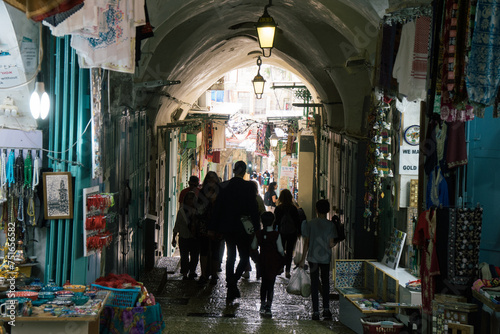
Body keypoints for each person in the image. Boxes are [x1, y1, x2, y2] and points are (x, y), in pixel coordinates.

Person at [210, 161, 260, 301]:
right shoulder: (249, 187)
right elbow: (254, 210)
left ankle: (230, 284)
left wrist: (213, 228)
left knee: (230, 256)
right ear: (244, 172)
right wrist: (257, 229)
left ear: (233, 170)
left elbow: (218, 209)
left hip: (227, 227)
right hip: (243, 228)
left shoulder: (223, 186)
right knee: (244, 258)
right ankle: (233, 282)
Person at [299, 199, 337, 320]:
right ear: (327, 210)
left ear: (316, 210)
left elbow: (306, 243)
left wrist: (302, 259)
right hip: (325, 258)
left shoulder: (309, 224)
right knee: (326, 283)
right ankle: (326, 309)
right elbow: (331, 244)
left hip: (313, 259)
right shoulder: (331, 225)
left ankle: (315, 311)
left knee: (314, 284)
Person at [195, 171, 222, 285]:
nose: (211, 181)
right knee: (204, 251)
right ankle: (204, 275)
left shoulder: (221, 193)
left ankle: (214, 275)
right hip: (204, 225)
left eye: (213, 178)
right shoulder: (202, 193)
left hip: (217, 225)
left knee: (216, 251)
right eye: (209, 179)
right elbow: (198, 210)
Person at [256, 212, 284, 317]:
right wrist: (283, 257)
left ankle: (262, 305)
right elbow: (280, 250)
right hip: (273, 262)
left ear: (262, 221)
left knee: (263, 284)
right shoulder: (276, 235)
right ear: (273, 221)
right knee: (271, 284)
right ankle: (269, 306)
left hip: (262, 261)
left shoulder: (258, 233)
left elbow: (254, 246)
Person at [172, 191, 200, 280]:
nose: (190, 201)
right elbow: (177, 224)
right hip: (184, 237)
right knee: (184, 256)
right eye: (188, 199)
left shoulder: (198, 211)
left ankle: (192, 271)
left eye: (192, 199)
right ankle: (184, 272)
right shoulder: (181, 212)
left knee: (195, 256)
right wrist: (174, 237)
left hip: (195, 237)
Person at [274, 189, 301, 278]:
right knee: (289, 251)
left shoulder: (278, 208)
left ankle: (281, 266)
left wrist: (274, 231)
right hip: (292, 232)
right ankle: (288, 271)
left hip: (281, 232)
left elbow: (276, 221)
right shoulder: (293, 208)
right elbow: (297, 221)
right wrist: (299, 232)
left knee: (280, 250)